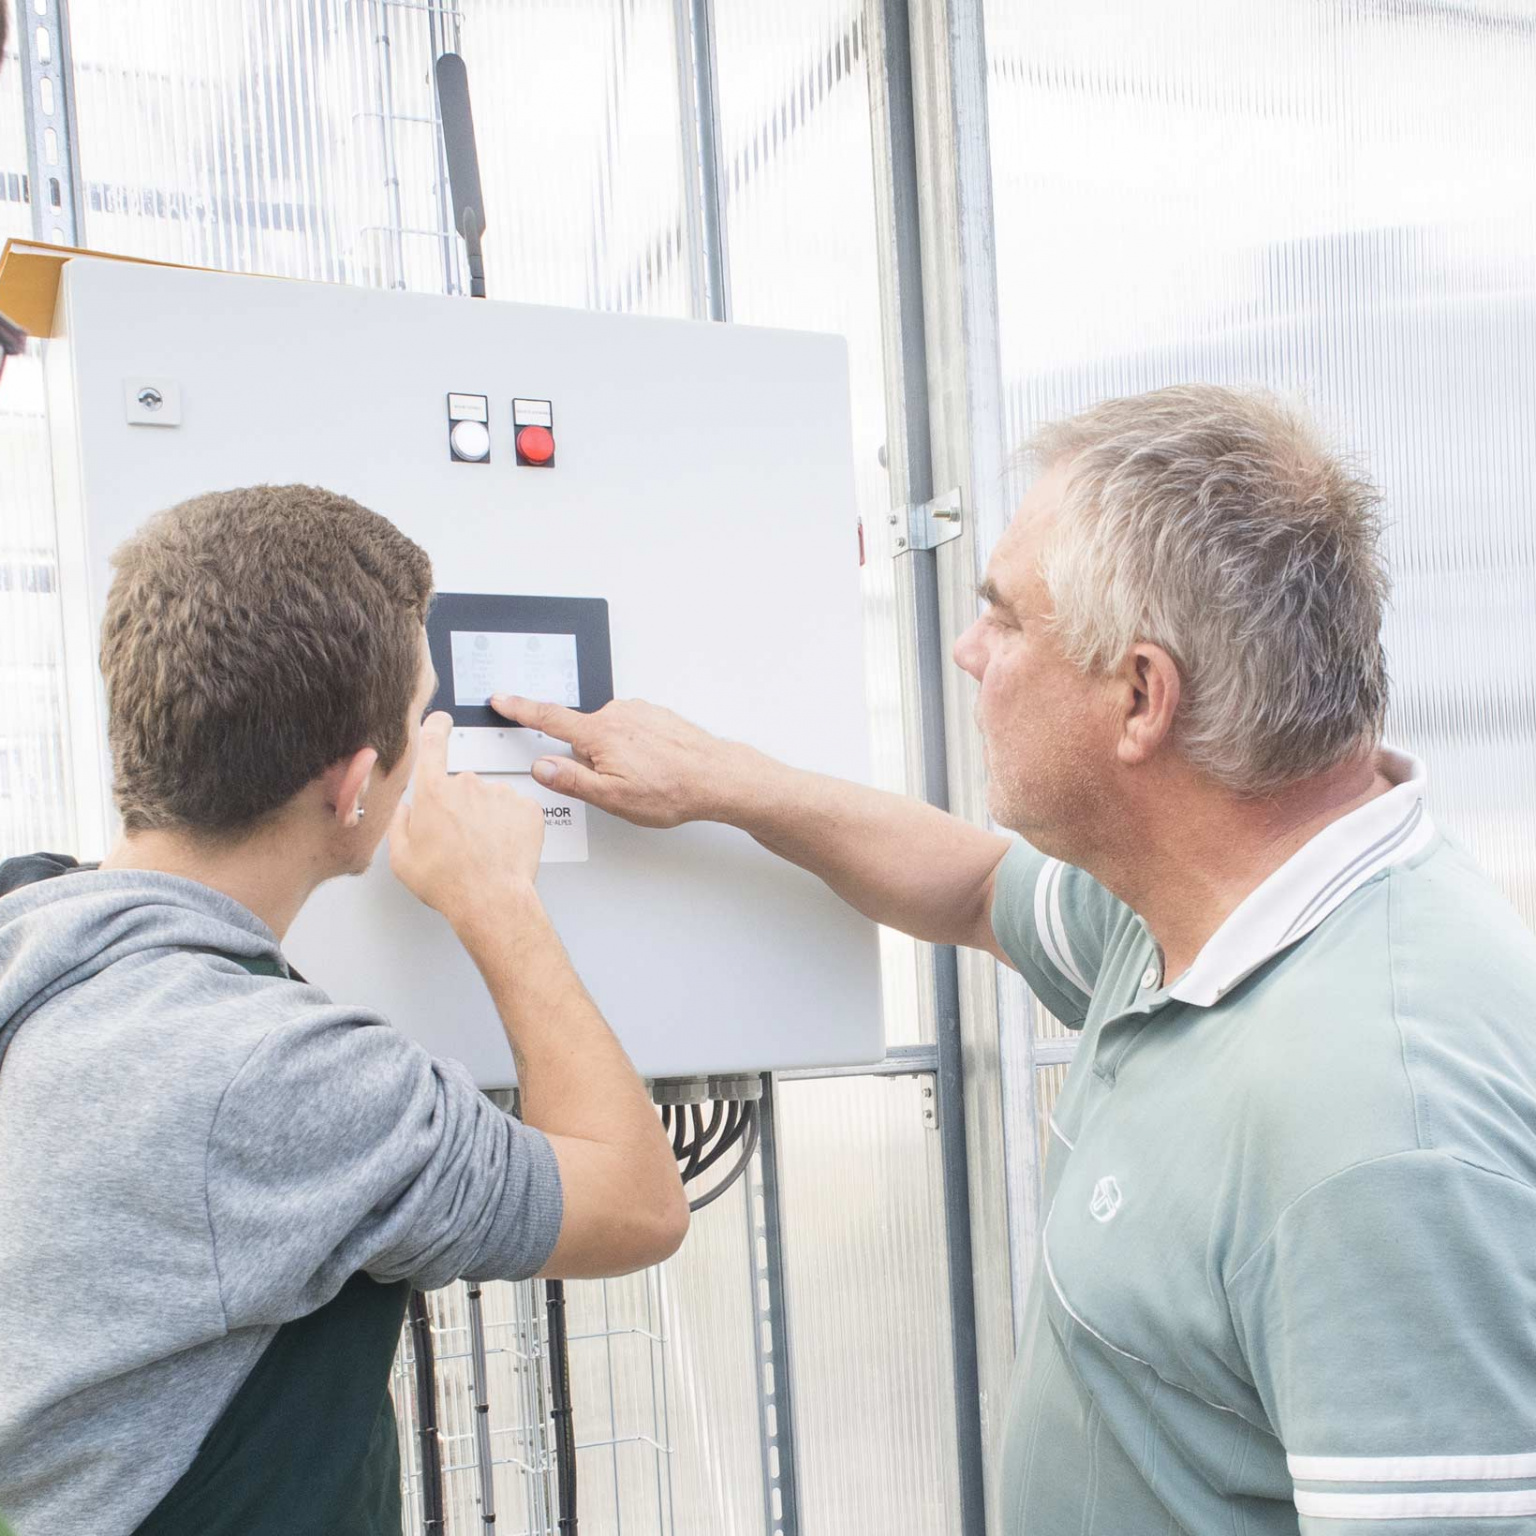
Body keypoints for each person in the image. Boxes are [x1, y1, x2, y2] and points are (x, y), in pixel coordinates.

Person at [493, 385, 1536, 1534]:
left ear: (1141, 697)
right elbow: (978, 887)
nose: (966, 650)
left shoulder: (1377, 1131)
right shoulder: (1200, 906)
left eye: (1005, 618)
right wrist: (723, 781)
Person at [0, 485, 688, 1536]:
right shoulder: (281, 1077)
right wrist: (497, 901)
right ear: (357, 783)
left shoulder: (30, 927)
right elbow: (638, 1204)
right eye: (423, 718)